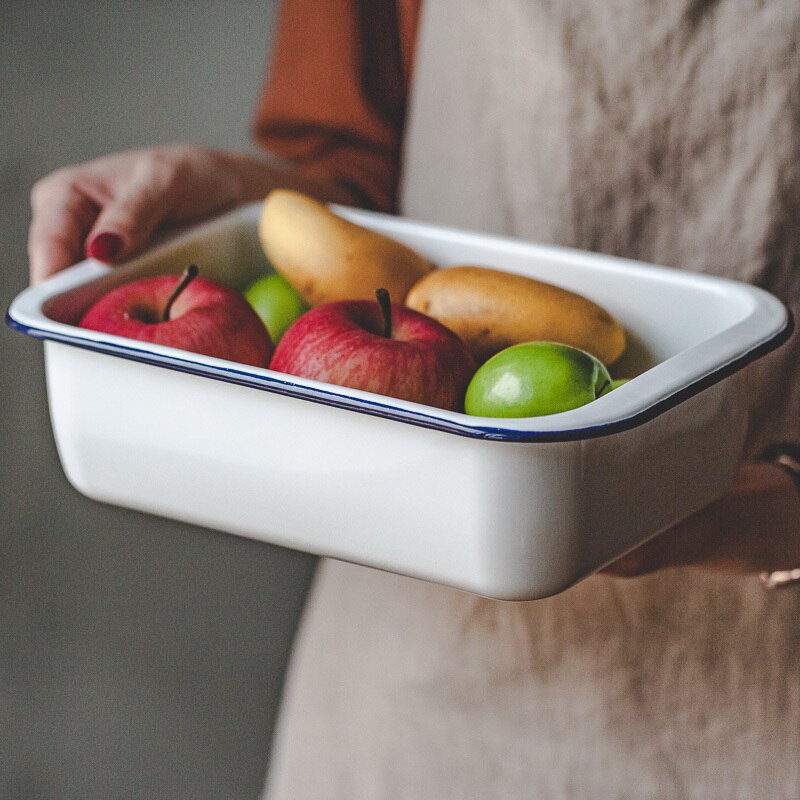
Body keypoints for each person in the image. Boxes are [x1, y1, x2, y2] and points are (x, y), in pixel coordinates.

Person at [28, 1, 800, 797]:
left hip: (756, 697)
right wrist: (233, 197)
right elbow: (351, 182)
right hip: (412, 693)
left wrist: (769, 512)